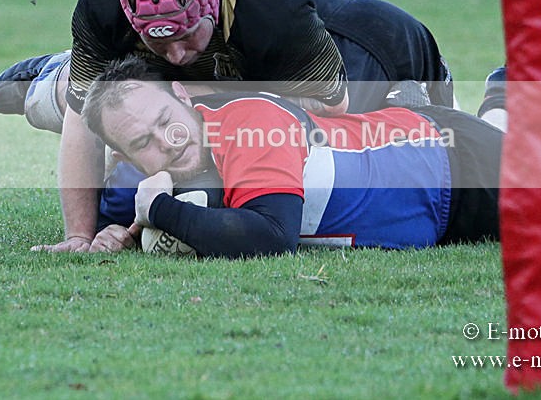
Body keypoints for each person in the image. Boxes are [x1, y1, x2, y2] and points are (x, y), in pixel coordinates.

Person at [0, 0, 456, 252]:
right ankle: (59, 80)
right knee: (111, 110)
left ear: (211, 5)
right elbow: (83, 118)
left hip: (363, 52)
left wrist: (170, 205)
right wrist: (79, 233)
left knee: (321, 145)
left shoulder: (276, 8)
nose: (175, 54)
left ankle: (62, 75)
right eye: (159, 42)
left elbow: (327, 109)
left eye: (186, 37)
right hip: (212, 82)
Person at [34, 56, 502, 255]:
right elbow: (125, 218)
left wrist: (158, 211)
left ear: (180, 94)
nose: (168, 141)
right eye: (144, 144)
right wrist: (119, 234)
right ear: (126, 157)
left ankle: (503, 94)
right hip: (432, 195)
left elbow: (270, 237)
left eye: (165, 119)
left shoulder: (249, 123)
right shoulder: (153, 175)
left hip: (454, 166)